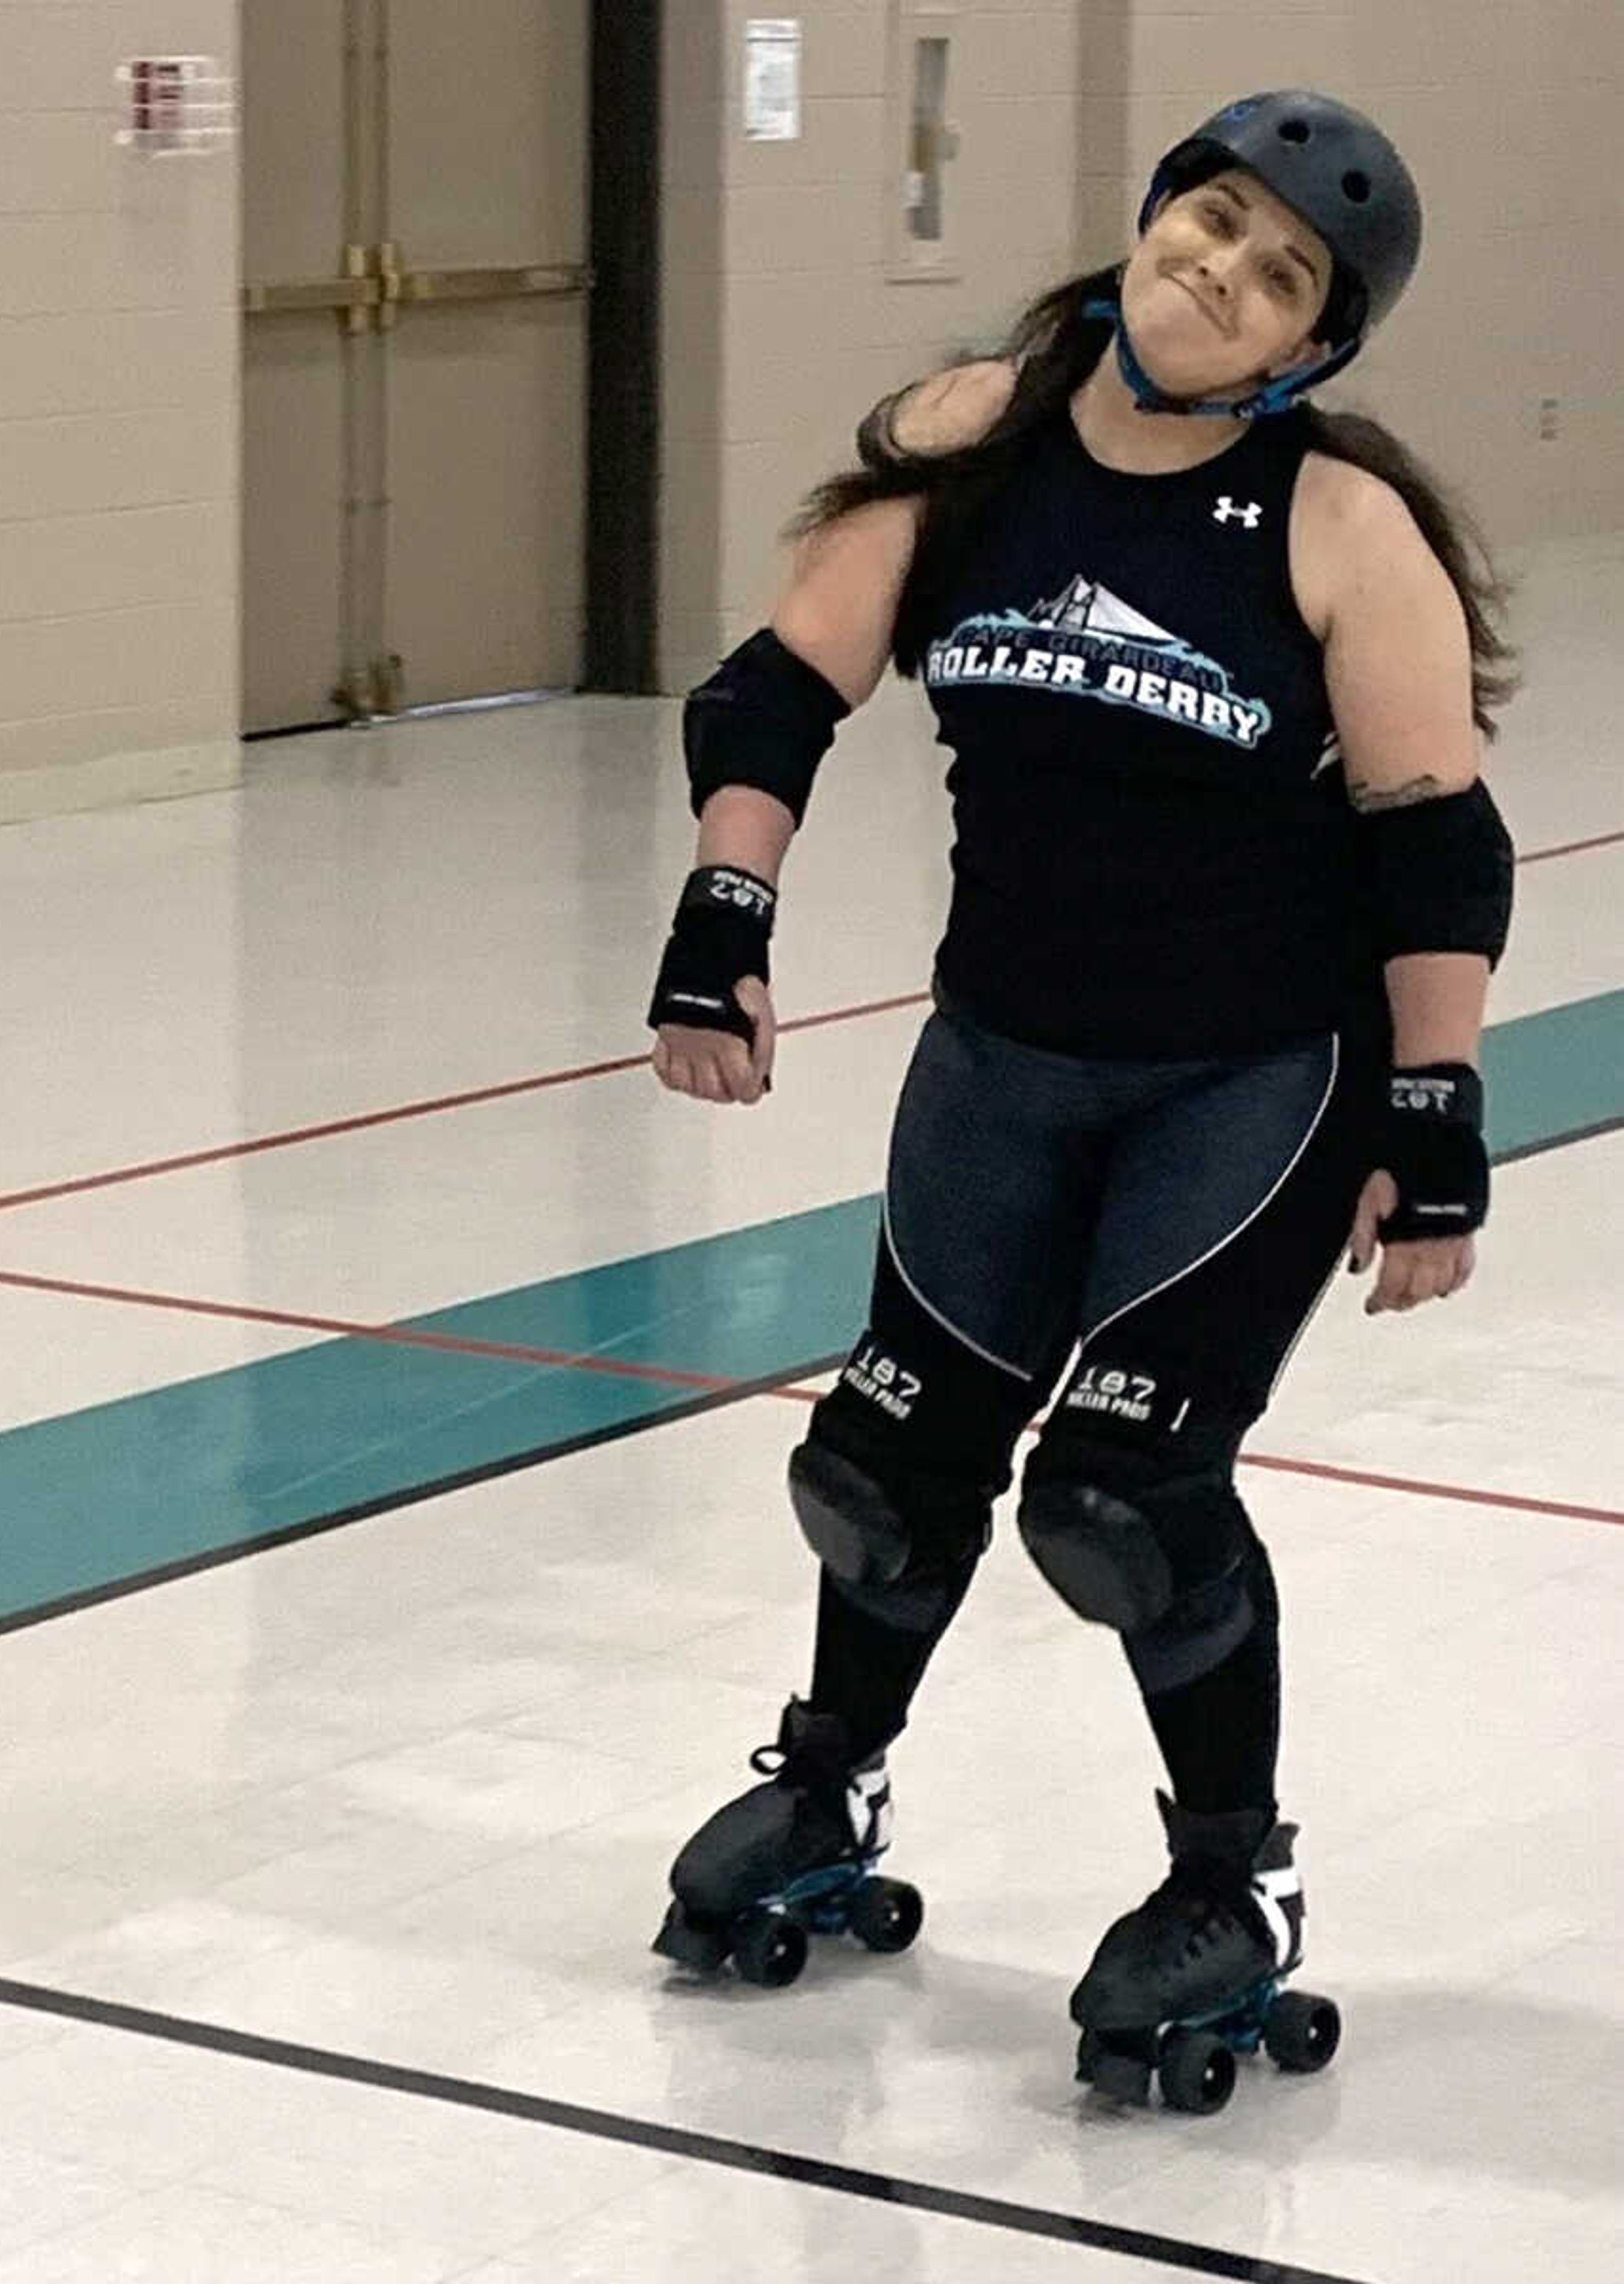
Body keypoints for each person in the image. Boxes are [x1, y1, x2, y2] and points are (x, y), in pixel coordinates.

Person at [644, 91, 1518, 2108]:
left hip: (1247, 1087)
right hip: (1001, 1063)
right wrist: (726, 904)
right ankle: (830, 1791)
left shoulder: (1338, 524)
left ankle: (1238, 1887)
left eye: (1280, 272)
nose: (1222, 270)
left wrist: (1436, 1113)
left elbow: (1430, 845)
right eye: (1210, 220)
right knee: (880, 1470)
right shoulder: (981, 432)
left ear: (1311, 346)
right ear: (1152, 218)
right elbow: (775, 691)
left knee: (1124, 1502)